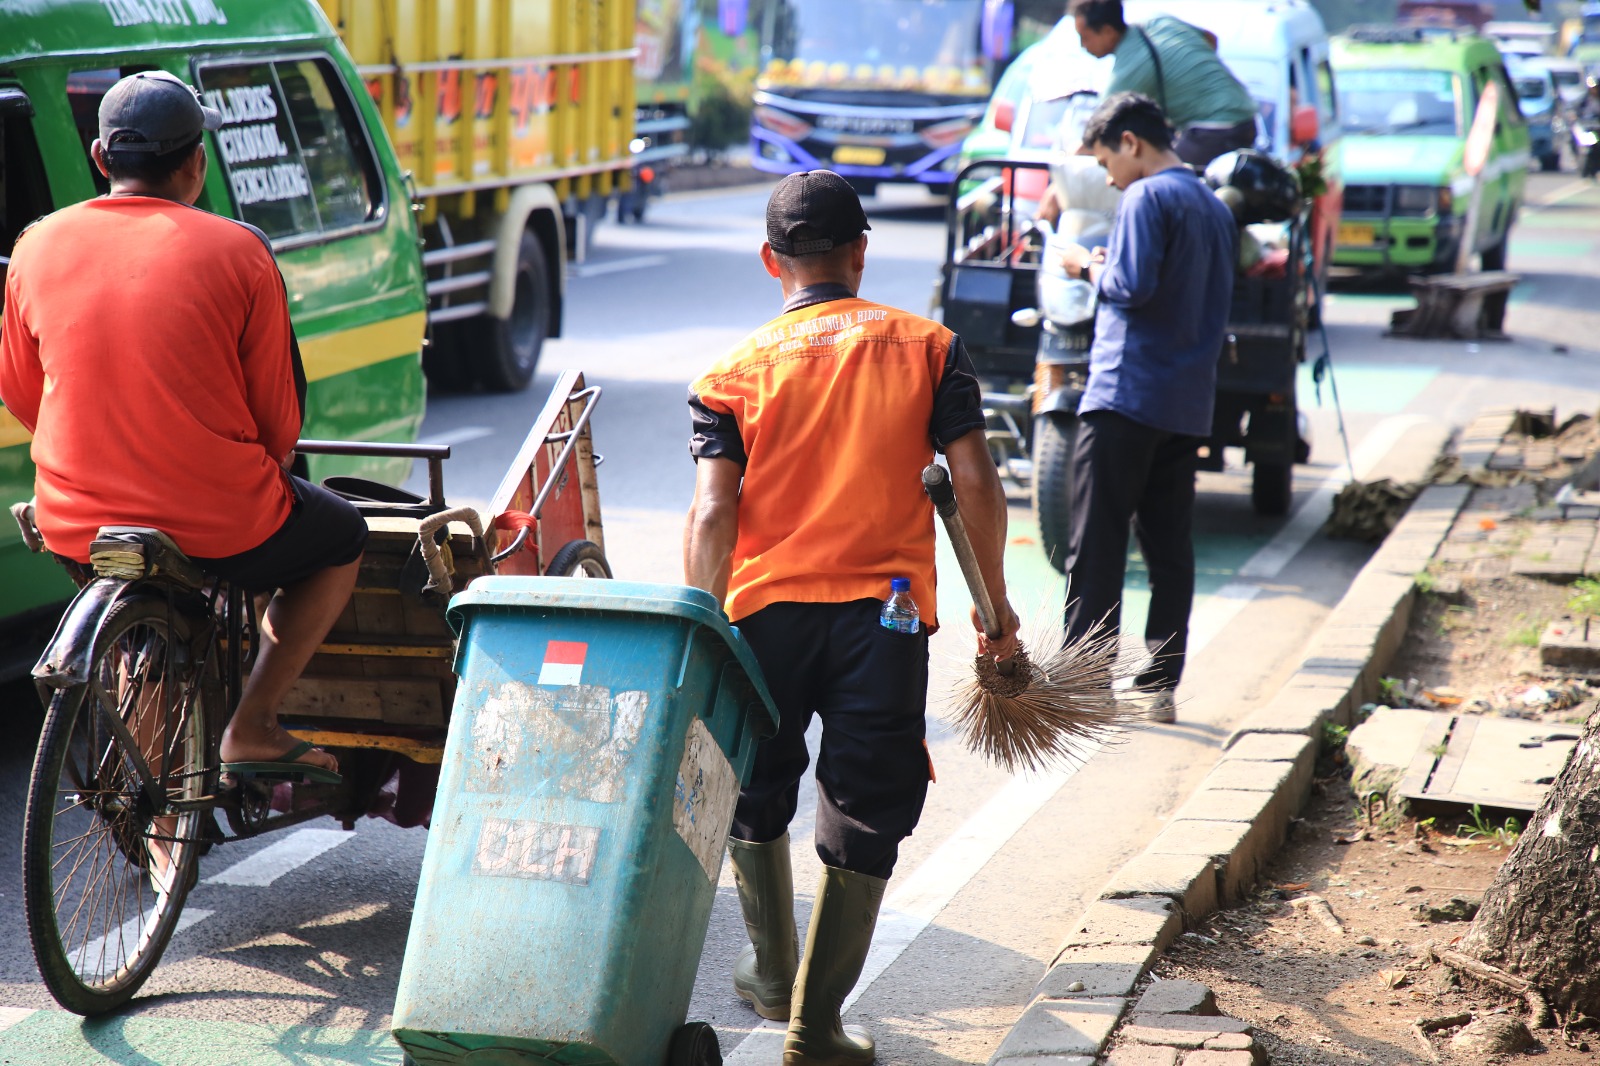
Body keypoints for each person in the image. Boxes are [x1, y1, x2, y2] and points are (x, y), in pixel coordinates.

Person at [683, 170, 1018, 1066]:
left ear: (770, 262)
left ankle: (769, 962)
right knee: (865, 806)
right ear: (861, 253)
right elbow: (976, 486)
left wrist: (698, 625)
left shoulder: (731, 374)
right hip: (888, 619)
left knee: (756, 789)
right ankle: (816, 1027)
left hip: (763, 617)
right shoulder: (930, 348)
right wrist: (999, 612)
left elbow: (715, 517)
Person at [0, 73, 366, 804]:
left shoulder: (35, 246)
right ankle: (254, 723)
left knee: (156, 597)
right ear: (196, 164)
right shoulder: (239, 251)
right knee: (342, 534)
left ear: (102, 157)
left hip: (78, 520)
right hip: (217, 517)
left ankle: (152, 719)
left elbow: (19, 391)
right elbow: (279, 425)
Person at [1055, 93, 1237, 724]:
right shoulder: (1214, 207)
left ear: (1131, 143)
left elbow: (1130, 287)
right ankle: (1158, 685)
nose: (1107, 176)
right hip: (1185, 403)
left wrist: (1086, 266)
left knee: (1096, 543)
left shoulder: (1145, 198)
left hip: (1125, 394)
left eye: (1107, 159)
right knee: (1169, 549)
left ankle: (1086, 680)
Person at [1069, 0, 1260, 168]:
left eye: (1084, 37)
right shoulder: (1159, 22)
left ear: (1108, 32)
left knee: (1163, 179)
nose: (1082, 46)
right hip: (1247, 117)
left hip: (1213, 128)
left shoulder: (1128, 70)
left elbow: (1096, 135)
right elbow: (1211, 39)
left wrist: (1069, 163)